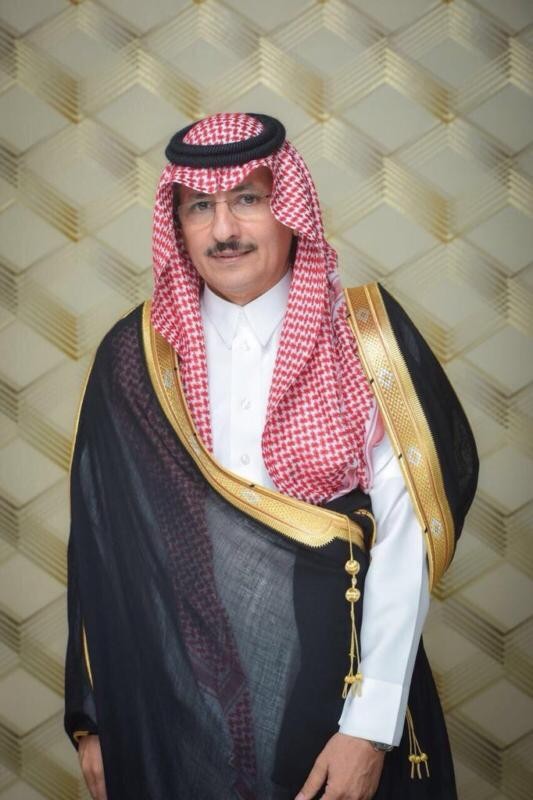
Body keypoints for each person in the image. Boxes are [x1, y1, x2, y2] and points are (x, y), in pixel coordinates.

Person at [64, 112, 478, 800]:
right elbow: (102, 545)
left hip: (339, 696)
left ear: (289, 208)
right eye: (200, 207)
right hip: (174, 704)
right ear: (177, 223)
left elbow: (404, 543)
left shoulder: (364, 338)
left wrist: (369, 728)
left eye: (248, 199)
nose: (224, 229)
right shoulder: (137, 357)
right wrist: (97, 721)